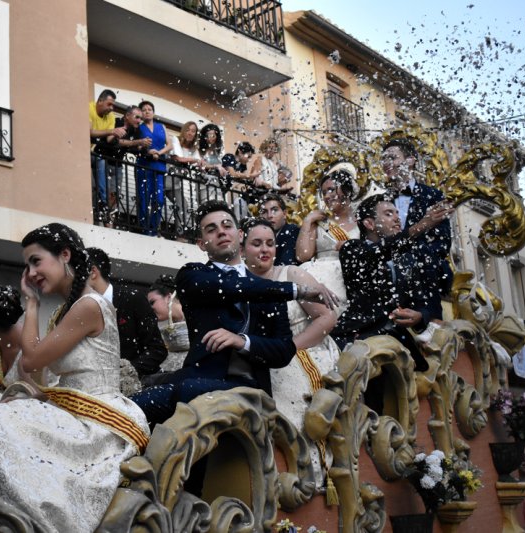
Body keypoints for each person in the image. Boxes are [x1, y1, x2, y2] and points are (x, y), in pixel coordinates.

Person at [0, 223, 149, 533]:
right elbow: (35, 369)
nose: (31, 272)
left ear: (65, 255)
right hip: (72, 412)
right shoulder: (66, 310)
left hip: (98, 422)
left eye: (36, 261)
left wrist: (32, 303)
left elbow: (31, 360)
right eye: (27, 265)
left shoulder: (88, 305)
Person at [130, 200, 336, 425]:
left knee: (180, 393)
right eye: (211, 229)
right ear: (201, 244)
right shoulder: (192, 275)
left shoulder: (268, 291)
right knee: (128, 409)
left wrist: (243, 341)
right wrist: (296, 290)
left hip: (247, 390)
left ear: (239, 235)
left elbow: (283, 351)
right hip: (196, 379)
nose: (221, 232)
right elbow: (229, 287)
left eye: (227, 225)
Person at [241, 218, 339, 482]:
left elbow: (327, 318)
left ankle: (309, 473)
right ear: (242, 249)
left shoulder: (291, 274)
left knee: (285, 392)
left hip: (305, 350)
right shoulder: (238, 282)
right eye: (257, 243)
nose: (265, 249)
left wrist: (290, 347)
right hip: (261, 356)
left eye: (270, 243)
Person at [332, 194, 451, 373]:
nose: (397, 218)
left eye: (396, 213)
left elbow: (424, 301)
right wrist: (421, 225)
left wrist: (420, 316)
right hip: (359, 335)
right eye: (388, 214)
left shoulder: (407, 258)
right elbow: (379, 251)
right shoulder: (352, 249)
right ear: (369, 223)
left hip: (398, 339)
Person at [381, 138, 454, 292]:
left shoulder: (432, 195)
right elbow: (379, 244)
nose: (386, 163)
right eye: (384, 159)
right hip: (388, 280)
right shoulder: (380, 200)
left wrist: (412, 263)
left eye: (392, 158)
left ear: (410, 161)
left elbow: (442, 243)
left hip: (425, 279)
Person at [86, 247, 167, 377]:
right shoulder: (77, 307)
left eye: (77, 273)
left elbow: (157, 350)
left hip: (136, 382)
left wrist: (126, 372)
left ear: (93, 272)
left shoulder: (132, 298)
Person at [295, 163, 361, 316]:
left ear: (347, 190)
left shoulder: (362, 221)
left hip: (352, 277)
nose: (326, 196)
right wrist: (307, 221)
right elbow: (302, 256)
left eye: (331, 190)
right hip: (321, 278)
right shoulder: (319, 222)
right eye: (324, 192)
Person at [136, 100, 172, 235]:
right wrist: (147, 151)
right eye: (144, 110)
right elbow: (136, 145)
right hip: (144, 166)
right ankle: (144, 230)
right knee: (144, 198)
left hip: (159, 166)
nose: (147, 112)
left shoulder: (161, 126)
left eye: (149, 109)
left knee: (159, 199)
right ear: (141, 113)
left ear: (153, 112)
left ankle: (153, 228)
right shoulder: (138, 127)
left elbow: (170, 145)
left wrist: (159, 153)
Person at [90, 89, 126, 218]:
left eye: (113, 105)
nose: (111, 108)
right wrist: (112, 131)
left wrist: (119, 134)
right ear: (100, 101)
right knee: (92, 185)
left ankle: (104, 206)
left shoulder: (110, 116)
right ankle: (99, 208)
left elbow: (109, 138)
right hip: (83, 152)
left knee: (102, 184)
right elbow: (89, 131)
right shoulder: (89, 108)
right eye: (109, 104)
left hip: (96, 154)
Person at [146, 275, 189, 373]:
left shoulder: (197, 317)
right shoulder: (164, 329)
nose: (150, 308)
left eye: (152, 302)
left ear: (169, 297)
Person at [259, 192, 301, 266]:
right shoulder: (258, 236)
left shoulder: (293, 231)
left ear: (284, 214)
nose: (269, 215)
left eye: (274, 210)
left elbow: (286, 264)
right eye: (264, 212)